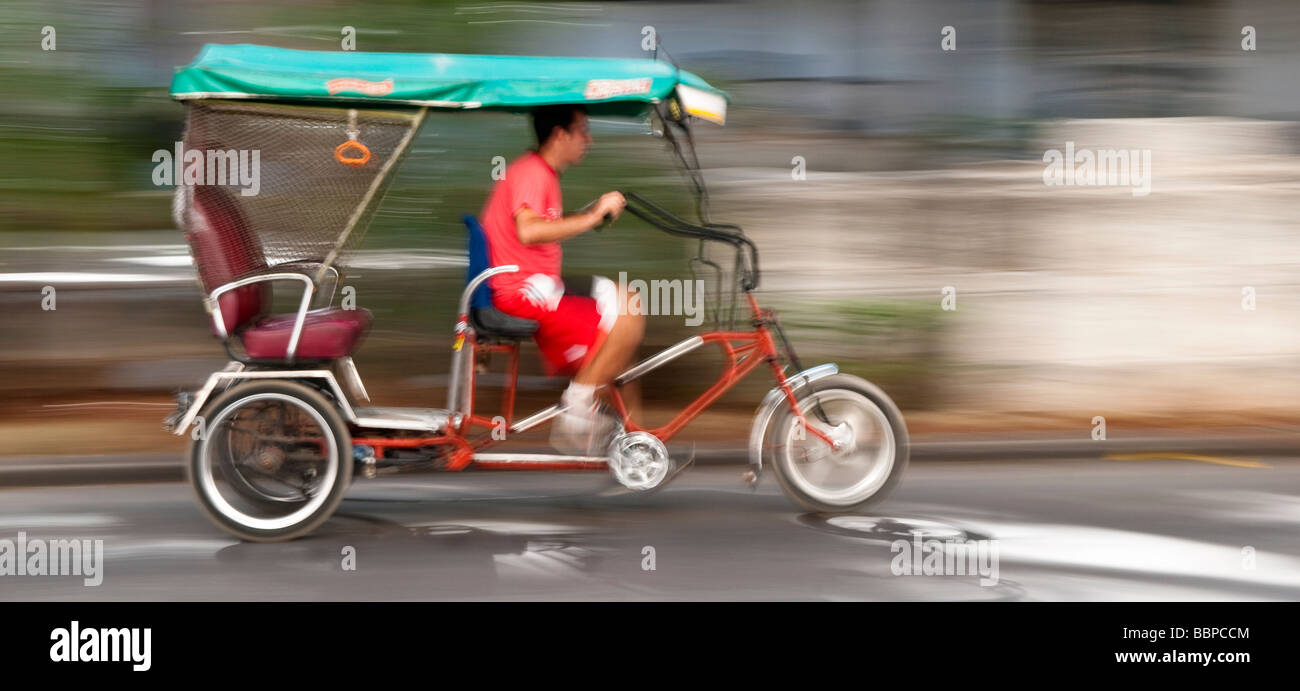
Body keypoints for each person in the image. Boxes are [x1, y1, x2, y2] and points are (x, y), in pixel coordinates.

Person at [478, 104, 641, 454]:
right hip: (524, 292)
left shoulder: (541, 173)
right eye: (583, 131)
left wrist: (590, 215)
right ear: (559, 135)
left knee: (629, 303)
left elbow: (546, 226)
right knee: (626, 323)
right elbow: (529, 231)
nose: (589, 140)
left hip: (538, 284)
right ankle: (579, 406)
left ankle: (639, 440)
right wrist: (593, 215)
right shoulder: (533, 172)